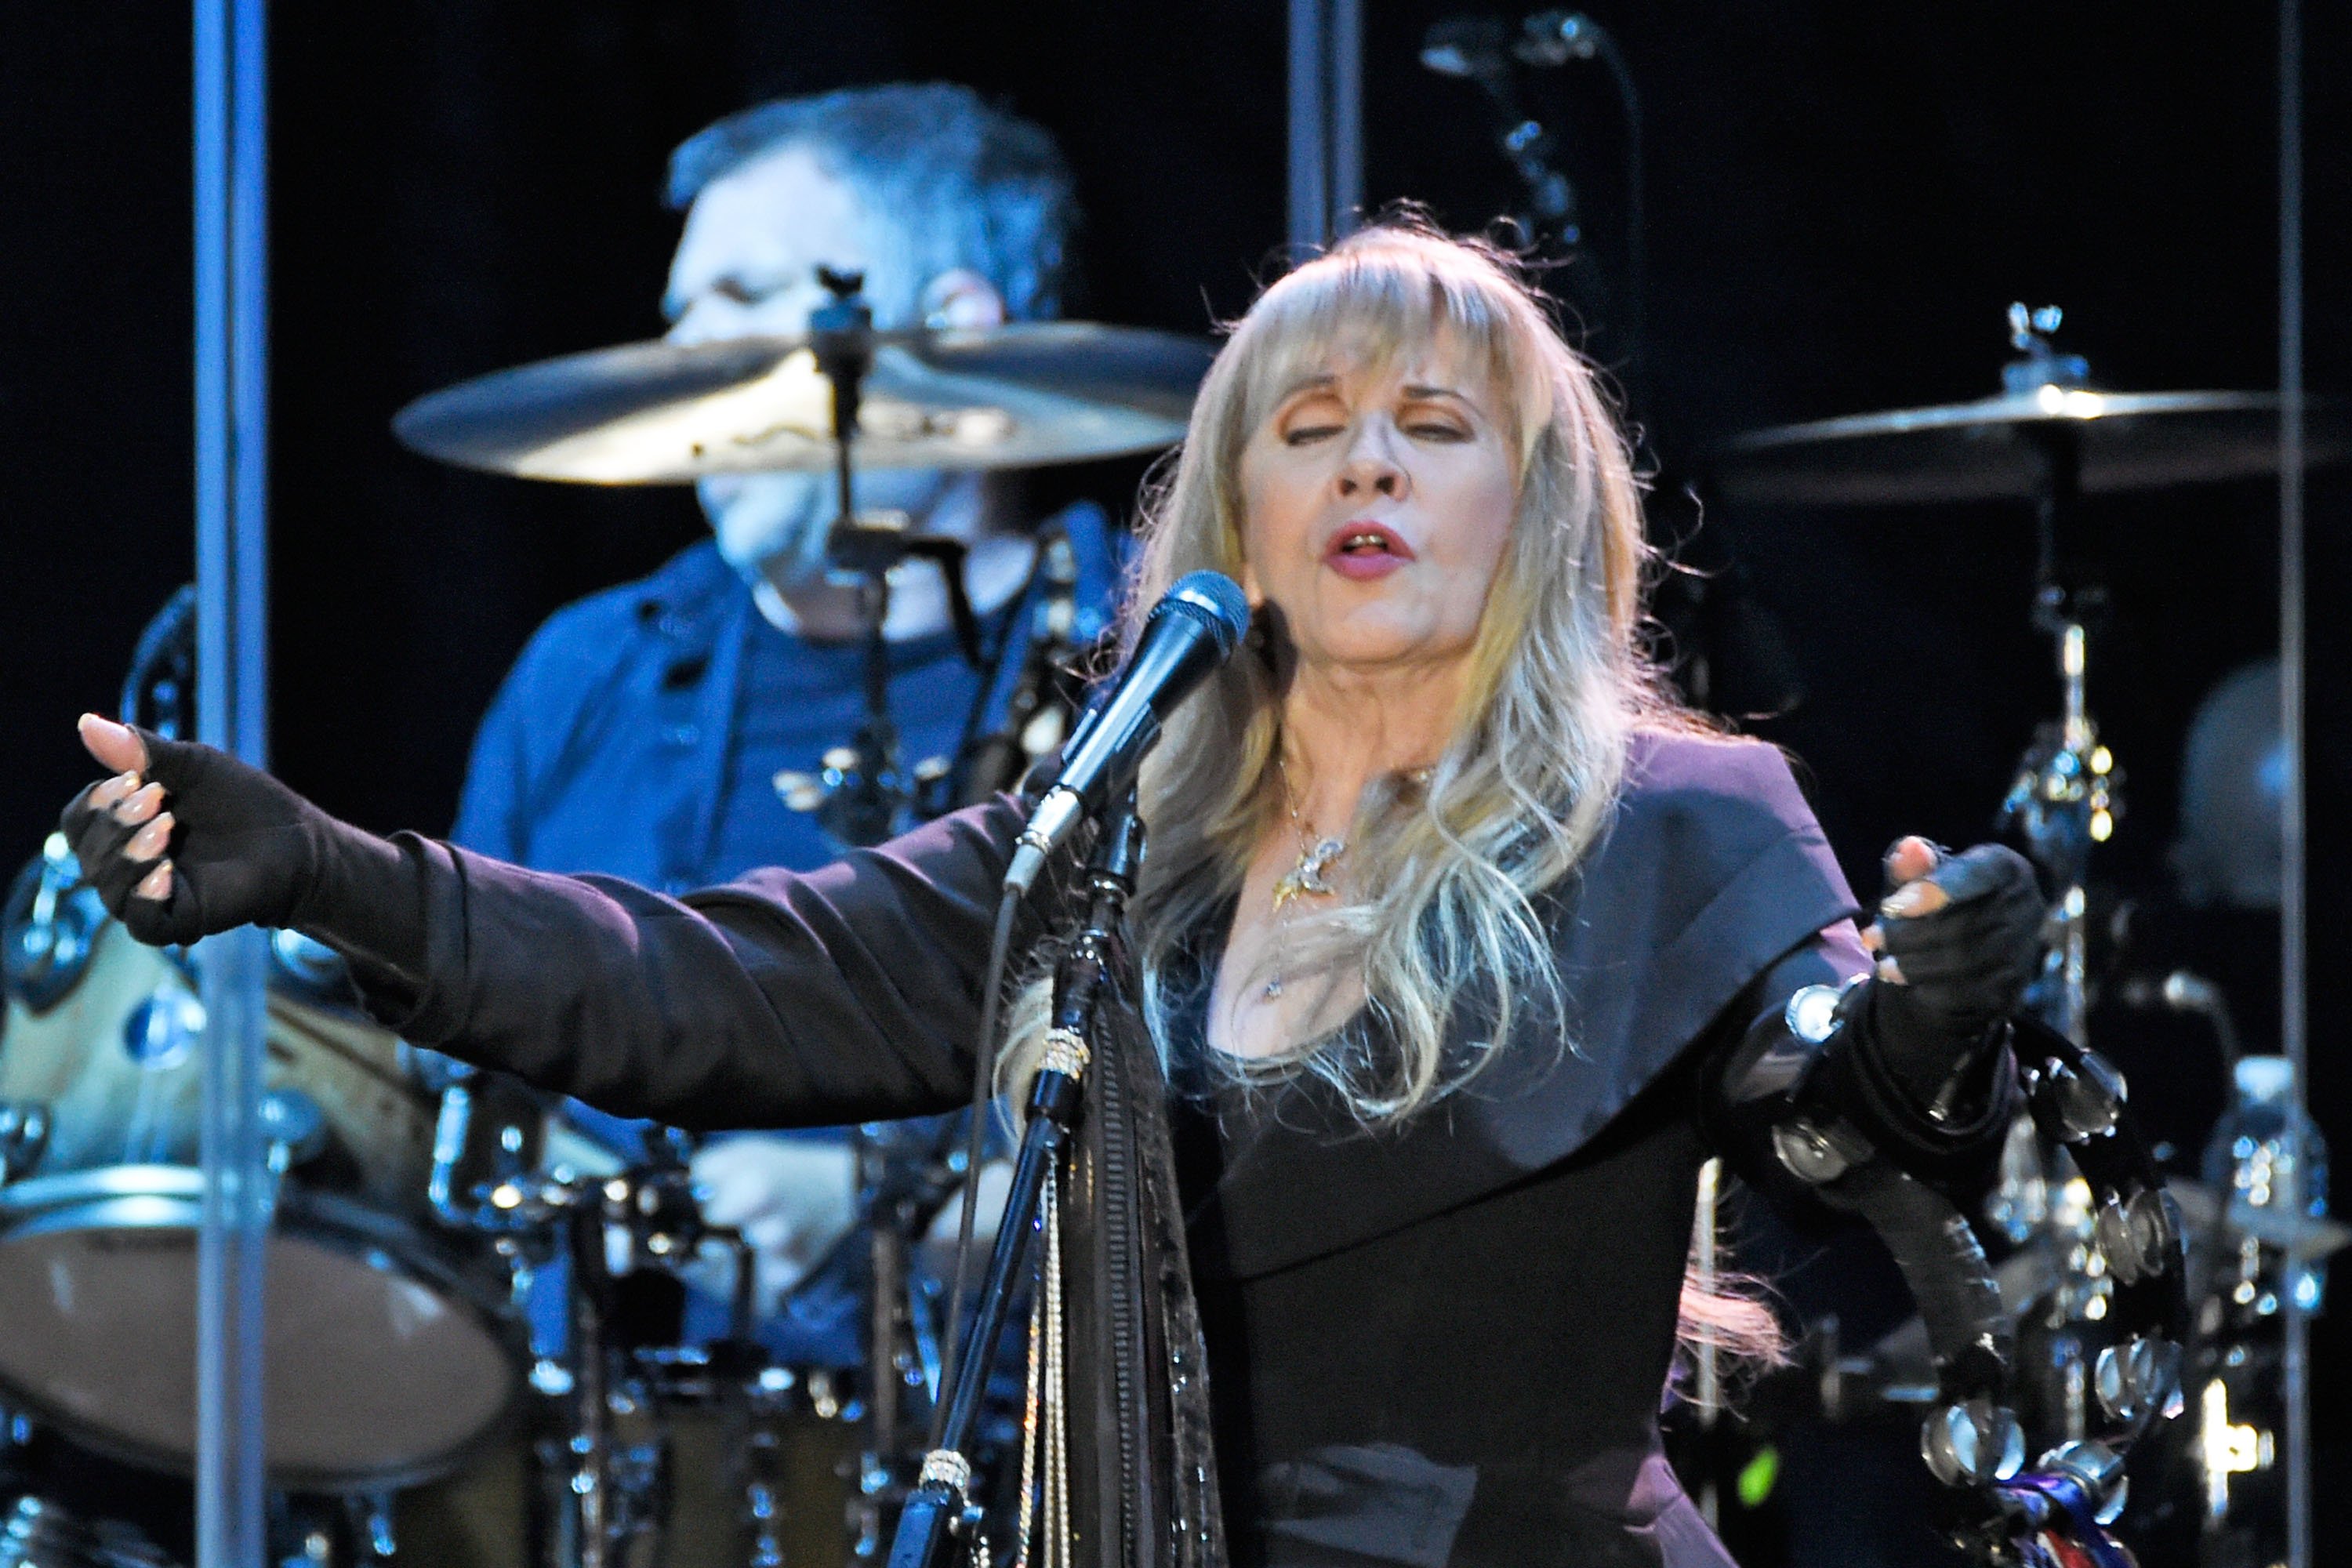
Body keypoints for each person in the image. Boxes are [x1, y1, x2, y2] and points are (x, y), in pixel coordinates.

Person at [62, 223, 2044, 1568]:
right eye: (1310, 429)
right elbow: (701, 980)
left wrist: (1931, 1016)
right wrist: (319, 868)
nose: (1370, 468)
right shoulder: (1106, 856)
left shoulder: (1678, 824)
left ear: (1529, 513)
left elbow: (1833, 1108)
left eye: (1433, 433)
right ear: (1232, 513)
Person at [448, 82, 1122, 1330]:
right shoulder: (588, 674)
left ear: (949, 331)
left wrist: (886, 1210)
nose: (682, 355)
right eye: (679, 311)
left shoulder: (1149, 683)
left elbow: (1227, 1154)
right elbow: (468, 1110)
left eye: (746, 300)